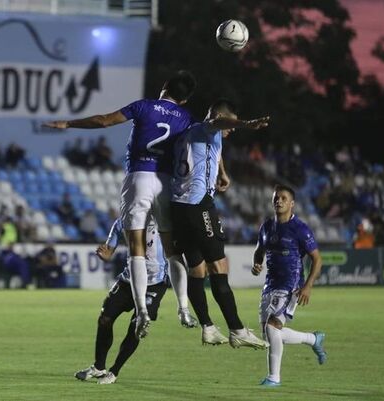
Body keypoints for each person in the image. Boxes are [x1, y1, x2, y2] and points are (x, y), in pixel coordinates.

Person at [44, 71, 199, 338]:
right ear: (184, 100)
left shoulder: (144, 106)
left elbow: (105, 121)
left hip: (139, 177)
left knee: (136, 249)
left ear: (164, 85)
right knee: (173, 251)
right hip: (166, 181)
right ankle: (184, 308)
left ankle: (141, 311)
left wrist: (68, 124)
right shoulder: (187, 119)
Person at [171, 99, 270, 349]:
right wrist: (247, 123)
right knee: (218, 265)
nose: (232, 128)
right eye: (230, 122)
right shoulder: (207, 126)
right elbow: (216, 123)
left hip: (179, 207)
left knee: (197, 269)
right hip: (198, 205)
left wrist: (222, 172)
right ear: (218, 117)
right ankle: (237, 329)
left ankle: (208, 327)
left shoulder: (193, 132)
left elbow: (213, 146)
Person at [75, 217, 168, 385]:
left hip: (154, 283)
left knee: (136, 326)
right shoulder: (122, 222)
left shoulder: (163, 218)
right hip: (128, 281)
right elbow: (109, 250)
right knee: (105, 318)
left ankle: (114, 371)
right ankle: (99, 367)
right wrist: (105, 254)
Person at [251, 185, 327, 387]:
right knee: (270, 333)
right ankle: (313, 339)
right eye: (276, 198)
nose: (279, 201)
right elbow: (259, 251)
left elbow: (317, 260)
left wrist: (308, 286)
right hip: (270, 285)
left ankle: (274, 378)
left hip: (291, 286)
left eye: (284, 198)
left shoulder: (300, 229)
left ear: (292, 204)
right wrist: (256, 264)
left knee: (272, 328)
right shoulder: (267, 227)